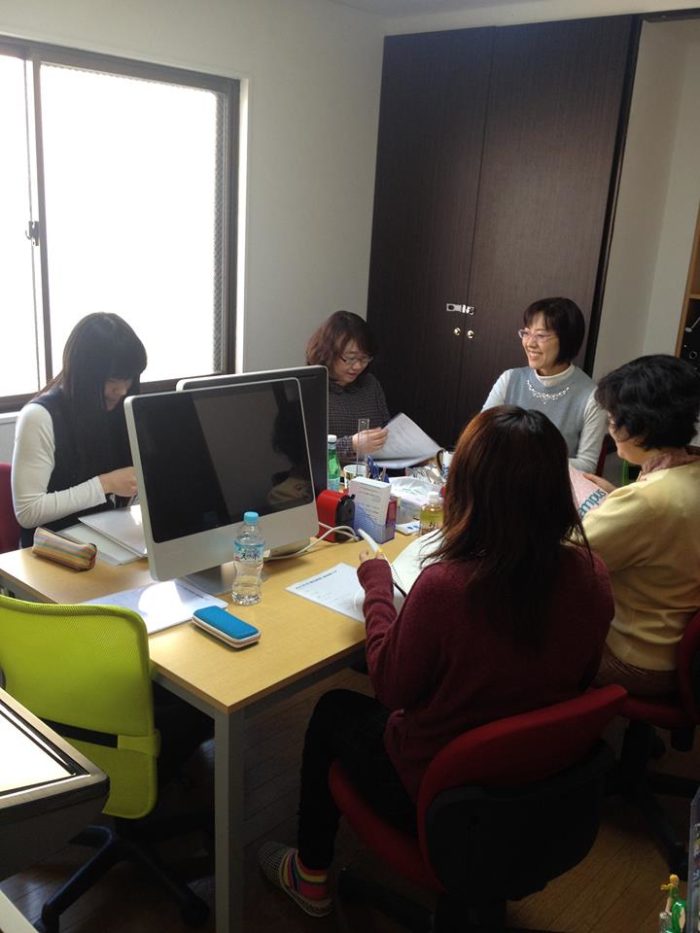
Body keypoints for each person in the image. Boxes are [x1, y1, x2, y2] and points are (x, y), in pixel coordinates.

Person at [258, 406, 614, 917]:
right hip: (544, 785)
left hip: (442, 793)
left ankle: (309, 875)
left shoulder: (448, 587)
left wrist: (377, 588)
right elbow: (581, 674)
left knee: (334, 709)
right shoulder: (591, 574)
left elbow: (390, 687)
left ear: (466, 488)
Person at [582, 355, 700, 697]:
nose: (610, 429)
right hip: (681, 651)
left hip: (638, 659)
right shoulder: (688, 472)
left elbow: (570, 555)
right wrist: (617, 499)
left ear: (638, 428)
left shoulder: (647, 501)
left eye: (612, 419)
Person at [12, 312, 147, 547]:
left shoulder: (120, 407)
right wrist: (105, 484)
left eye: (128, 379)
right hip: (52, 549)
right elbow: (28, 511)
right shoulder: (40, 417)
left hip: (106, 539)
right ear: (85, 374)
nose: (122, 390)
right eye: (113, 380)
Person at [482, 297, 607, 473]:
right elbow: (481, 434)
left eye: (540, 336)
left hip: (553, 486)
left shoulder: (592, 396)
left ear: (566, 340)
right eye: (526, 333)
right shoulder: (510, 379)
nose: (530, 343)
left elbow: (587, 465)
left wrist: (525, 462)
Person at [305, 310, 389, 465]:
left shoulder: (370, 385)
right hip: (327, 477)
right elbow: (302, 452)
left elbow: (385, 428)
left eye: (364, 359)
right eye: (350, 358)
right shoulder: (310, 390)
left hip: (370, 474)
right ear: (328, 352)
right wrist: (351, 445)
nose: (357, 366)